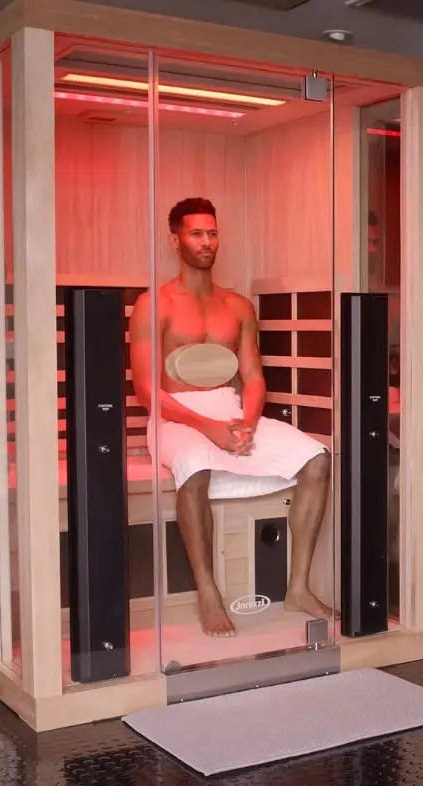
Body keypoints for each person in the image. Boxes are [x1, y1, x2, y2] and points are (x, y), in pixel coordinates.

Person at [129, 197, 333, 638]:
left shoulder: (237, 305)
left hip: (230, 408)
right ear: (175, 240)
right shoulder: (155, 303)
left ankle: (298, 587)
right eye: (196, 233)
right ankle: (208, 592)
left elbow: (253, 377)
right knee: (194, 466)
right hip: (174, 417)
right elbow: (146, 390)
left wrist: (249, 422)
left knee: (317, 458)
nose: (207, 242)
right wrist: (210, 429)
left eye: (212, 233)